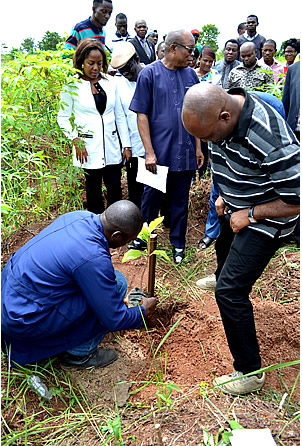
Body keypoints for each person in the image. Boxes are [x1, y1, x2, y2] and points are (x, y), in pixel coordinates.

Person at [182, 83, 300, 395]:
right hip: (237, 202)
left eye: (207, 137)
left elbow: (297, 198)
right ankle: (222, 273)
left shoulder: (269, 137)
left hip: (270, 218)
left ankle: (249, 372)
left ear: (224, 117)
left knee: (231, 293)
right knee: (224, 241)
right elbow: (221, 155)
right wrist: (222, 195)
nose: (206, 143)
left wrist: (251, 214)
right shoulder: (221, 116)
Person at [1, 200, 157, 368]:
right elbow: (114, 319)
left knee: (108, 284)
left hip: (8, 297)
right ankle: (79, 354)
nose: (125, 246)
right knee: (117, 284)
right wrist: (142, 311)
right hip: (22, 319)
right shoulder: (92, 257)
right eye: (127, 241)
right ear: (116, 235)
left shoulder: (77, 217)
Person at [129, 29, 203, 263]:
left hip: (185, 150)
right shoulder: (149, 74)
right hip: (158, 153)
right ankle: (144, 237)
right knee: (151, 197)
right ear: (173, 48)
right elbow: (141, 115)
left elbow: (198, 114)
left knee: (180, 199)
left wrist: (199, 148)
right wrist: (149, 152)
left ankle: (178, 244)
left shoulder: (191, 76)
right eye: (189, 50)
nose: (193, 55)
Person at [58, 39, 131, 214]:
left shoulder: (110, 82)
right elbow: (63, 117)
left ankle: (116, 224)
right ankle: (96, 227)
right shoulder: (71, 85)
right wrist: (75, 139)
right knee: (93, 190)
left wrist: (126, 145)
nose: (95, 68)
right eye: (91, 63)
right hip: (88, 147)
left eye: (99, 63)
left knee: (115, 186)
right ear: (81, 62)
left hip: (112, 146)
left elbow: (119, 115)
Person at [110, 42, 145, 208]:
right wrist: (126, 146)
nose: (125, 74)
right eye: (121, 71)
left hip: (155, 143)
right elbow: (121, 117)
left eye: (128, 68)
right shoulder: (119, 84)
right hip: (134, 142)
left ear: (136, 59)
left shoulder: (150, 76)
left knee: (156, 187)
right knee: (135, 187)